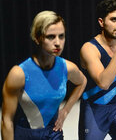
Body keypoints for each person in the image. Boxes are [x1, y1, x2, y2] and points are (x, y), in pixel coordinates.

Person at [1, 10, 87, 140]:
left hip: (53, 134)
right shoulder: (19, 74)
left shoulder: (67, 68)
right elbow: (7, 121)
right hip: (25, 136)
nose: (58, 43)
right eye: (51, 37)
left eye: (61, 36)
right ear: (37, 38)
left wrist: (65, 111)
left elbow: (82, 81)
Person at [78, 0, 116, 140]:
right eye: (114, 20)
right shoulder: (89, 49)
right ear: (101, 22)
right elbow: (104, 83)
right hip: (94, 109)